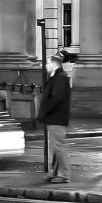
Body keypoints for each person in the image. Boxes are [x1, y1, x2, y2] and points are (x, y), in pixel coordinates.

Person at [40, 51, 72, 184]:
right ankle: (54, 172)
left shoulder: (60, 78)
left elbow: (56, 97)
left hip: (56, 118)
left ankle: (64, 174)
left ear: (54, 64)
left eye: (48, 63)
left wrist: (46, 110)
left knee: (59, 147)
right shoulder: (57, 77)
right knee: (56, 147)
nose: (46, 66)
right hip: (55, 118)